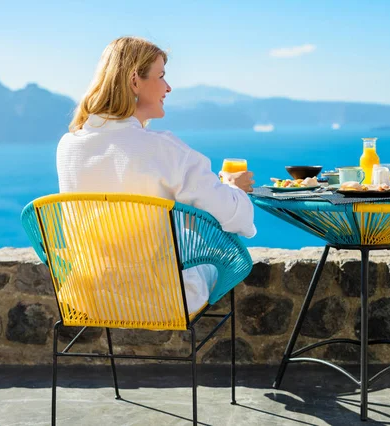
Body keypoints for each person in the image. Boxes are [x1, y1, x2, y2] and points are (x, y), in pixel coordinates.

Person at [56, 36, 256, 314]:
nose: (168, 87)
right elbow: (234, 218)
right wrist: (233, 188)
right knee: (215, 255)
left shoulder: (69, 145)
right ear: (135, 81)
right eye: (161, 76)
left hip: (90, 297)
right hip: (159, 300)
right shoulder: (162, 148)